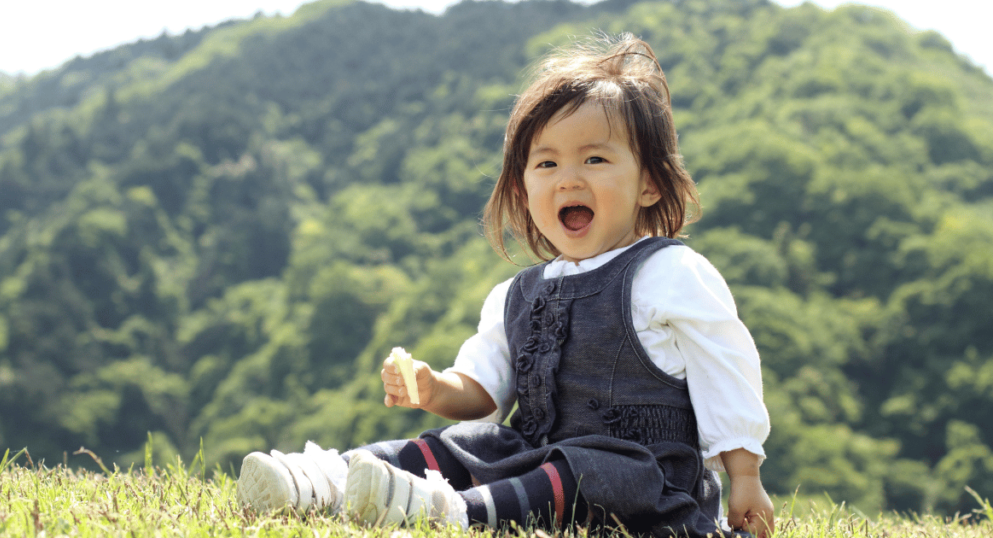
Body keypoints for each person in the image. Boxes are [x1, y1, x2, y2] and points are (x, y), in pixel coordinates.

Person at [236, 33, 774, 537]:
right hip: (534, 463)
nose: (568, 177)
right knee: (466, 442)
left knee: (592, 467)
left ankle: (450, 511)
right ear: (524, 186)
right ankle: (328, 479)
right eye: (546, 162)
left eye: (595, 158)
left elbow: (725, 369)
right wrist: (434, 388)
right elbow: (484, 393)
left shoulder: (670, 273)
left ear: (650, 183)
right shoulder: (516, 295)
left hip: (642, 482)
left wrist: (744, 475)